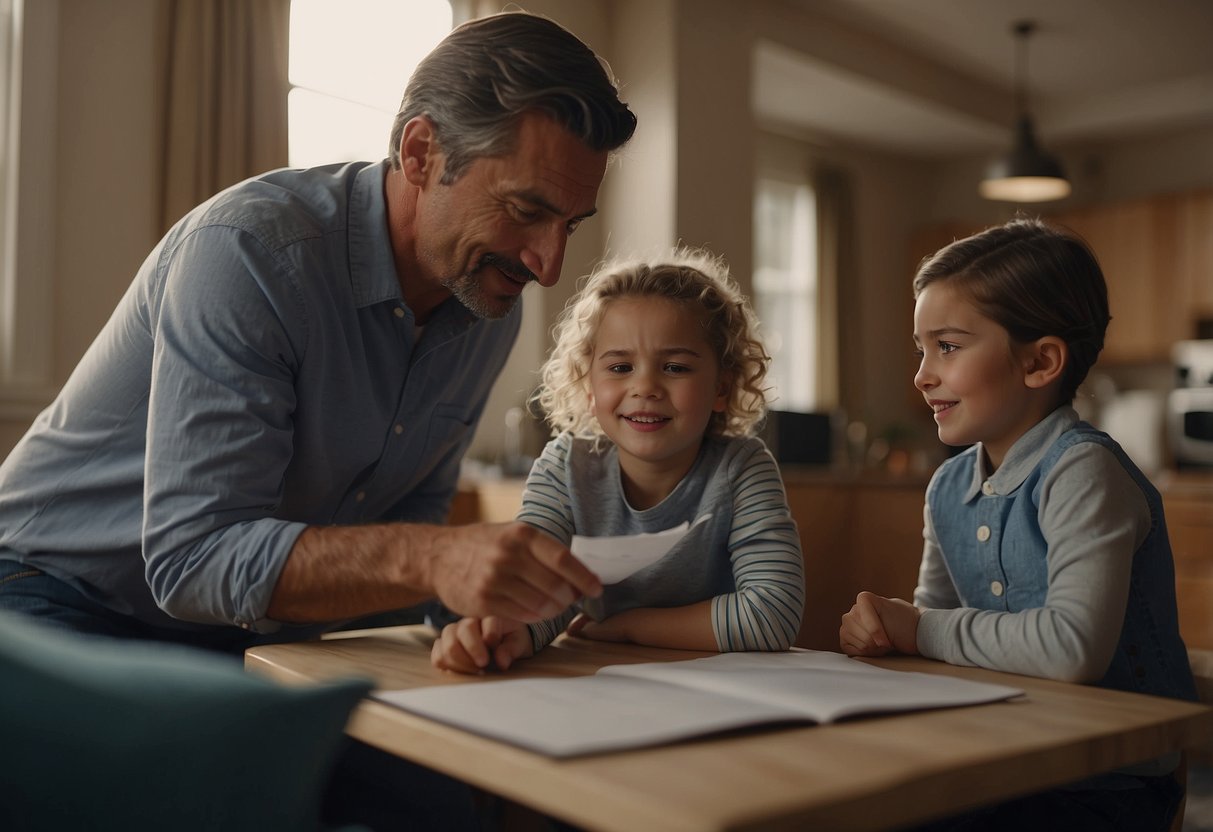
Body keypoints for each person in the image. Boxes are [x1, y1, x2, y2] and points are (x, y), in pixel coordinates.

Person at [0, 11, 636, 652]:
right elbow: (192, 559)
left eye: (571, 225)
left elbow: (412, 513)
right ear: (421, 153)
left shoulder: (487, 301)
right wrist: (435, 561)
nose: (548, 265)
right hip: (57, 592)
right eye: (526, 211)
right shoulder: (252, 252)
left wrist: (480, 619)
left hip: (250, 629)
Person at [838, 218, 1196, 832]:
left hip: (1109, 780)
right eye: (921, 348)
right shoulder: (948, 486)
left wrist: (917, 629)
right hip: (1003, 752)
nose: (923, 373)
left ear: (1040, 362)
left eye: (947, 346)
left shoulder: (1083, 472)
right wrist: (888, 633)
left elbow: (1069, 649)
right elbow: (934, 634)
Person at [431, 247, 805, 674]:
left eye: (676, 367)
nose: (645, 386)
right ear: (589, 387)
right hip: (599, 680)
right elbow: (534, 590)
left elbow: (773, 614)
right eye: (621, 366)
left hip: (720, 685)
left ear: (722, 386)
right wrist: (508, 630)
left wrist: (630, 627)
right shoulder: (563, 467)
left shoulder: (742, 469)